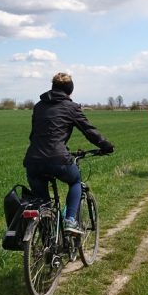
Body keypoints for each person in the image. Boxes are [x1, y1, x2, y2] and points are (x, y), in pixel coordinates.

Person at [23, 72, 114, 234]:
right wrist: (106, 145)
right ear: (70, 90)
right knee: (75, 181)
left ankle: (47, 246)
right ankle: (70, 220)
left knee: (44, 206)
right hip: (58, 158)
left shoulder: (38, 106)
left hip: (33, 161)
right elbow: (89, 131)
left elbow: (33, 135)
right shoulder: (71, 107)